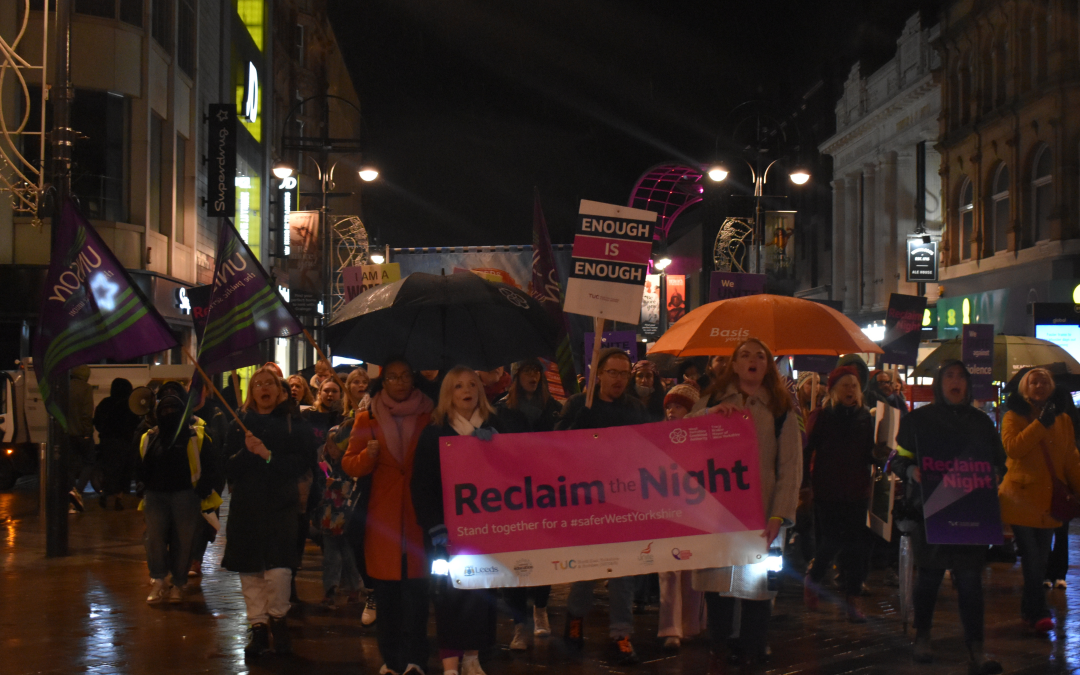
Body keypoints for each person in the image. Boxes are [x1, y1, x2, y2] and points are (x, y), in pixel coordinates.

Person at [689, 338, 801, 668]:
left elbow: (790, 468)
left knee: (758, 590)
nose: (752, 361)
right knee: (718, 586)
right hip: (718, 514)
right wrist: (708, 414)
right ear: (733, 364)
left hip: (763, 515)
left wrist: (780, 515)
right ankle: (720, 647)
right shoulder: (712, 400)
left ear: (768, 366)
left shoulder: (781, 411)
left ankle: (753, 650)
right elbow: (678, 436)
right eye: (745, 355)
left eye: (760, 356)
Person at [890, 360, 1005, 674]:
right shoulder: (918, 421)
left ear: (968, 384)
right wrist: (911, 470)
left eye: (961, 377)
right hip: (930, 514)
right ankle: (923, 637)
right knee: (928, 579)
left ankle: (977, 649)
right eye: (949, 376)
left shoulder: (981, 423)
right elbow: (897, 459)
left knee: (970, 583)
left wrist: (994, 474)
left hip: (970, 514)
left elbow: (998, 461)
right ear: (940, 383)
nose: (955, 382)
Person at [557, 347, 649, 665]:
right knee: (587, 567)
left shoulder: (636, 408)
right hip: (587, 501)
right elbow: (555, 447)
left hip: (623, 499)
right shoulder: (578, 405)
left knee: (623, 570)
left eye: (625, 374)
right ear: (599, 375)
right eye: (613, 372)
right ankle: (575, 620)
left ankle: (620, 633)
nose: (619, 380)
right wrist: (576, 424)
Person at [343, 358, 435, 675]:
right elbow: (349, 464)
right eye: (392, 376)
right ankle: (391, 660)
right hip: (381, 519)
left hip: (417, 516)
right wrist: (367, 458)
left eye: (405, 376)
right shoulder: (367, 417)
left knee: (417, 596)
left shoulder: (429, 414)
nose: (399, 382)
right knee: (388, 598)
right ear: (382, 381)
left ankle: (415, 660)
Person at [413, 367, 504, 675]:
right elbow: (422, 484)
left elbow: (511, 477)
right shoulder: (434, 432)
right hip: (445, 534)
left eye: (472, 385)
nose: (466, 391)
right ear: (447, 395)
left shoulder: (495, 428)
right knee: (448, 594)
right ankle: (450, 662)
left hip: (486, 531)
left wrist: (498, 449)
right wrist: (434, 525)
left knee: (482, 594)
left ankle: (473, 656)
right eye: (458, 387)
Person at [222, 366, 314, 658]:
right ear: (251, 392)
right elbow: (228, 468)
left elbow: (302, 463)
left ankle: (279, 620)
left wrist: (268, 456)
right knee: (250, 572)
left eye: (269, 383)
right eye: (257, 383)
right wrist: (245, 453)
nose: (263, 388)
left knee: (278, 572)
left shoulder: (294, 423)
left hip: (280, 507)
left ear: (279, 390)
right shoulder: (239, 423)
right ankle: (258, 627)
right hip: (247, 509)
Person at [999, 367, 1080, 633]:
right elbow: (1013, 448)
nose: (1040, 385)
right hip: (1020, 500)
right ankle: (1040, 612)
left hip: (1048, 503)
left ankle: (1028, 610)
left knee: (1041, 560)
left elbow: (1071, 460)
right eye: (1034, 382)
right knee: (1033, 561)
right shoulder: (1013, 416)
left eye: (1045, 381)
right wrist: (1039, 424)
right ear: (1025, 388)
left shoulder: (1064, 420)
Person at [802, 366, 880, 622]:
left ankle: (852, 598)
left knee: (856, 546)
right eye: (845, 385)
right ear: (833, 389)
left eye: (854, 386)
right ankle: (813, 579)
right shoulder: (821, 416)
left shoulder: (866, 418)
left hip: (857, 490)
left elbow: (871, 453)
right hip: (828, 489)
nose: (850, 390)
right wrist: (805, 483)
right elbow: (807, 450)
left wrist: (881, 454)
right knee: (832, 540)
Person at [495, 358, 560, 649]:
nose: (533, 377)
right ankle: (519, 623)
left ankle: (541, 609)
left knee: (544, 553)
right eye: (527, 371)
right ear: (516, 375)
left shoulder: (555, 409)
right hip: (511, 493)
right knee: (515, 558)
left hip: (546, 492)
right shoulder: (501, 410)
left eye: (537, 372)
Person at [138, 393, 217, 605]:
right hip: (155, 495)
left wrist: (204, 487)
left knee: (184, 541)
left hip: (186, 494)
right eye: (165, 411)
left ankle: (179, 582)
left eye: (174, 410)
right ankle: (160, 580)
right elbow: (142, 464)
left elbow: (211, 463)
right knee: (154, 539)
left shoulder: (196, 436)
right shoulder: (150, 437)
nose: (169, 415)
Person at [658, 383, 705, 650]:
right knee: (668, 568)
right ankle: (670, 627)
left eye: (677, 406)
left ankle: (690, 624)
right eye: (668, 406)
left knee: (692, 568)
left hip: (693, 509)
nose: (671, 411)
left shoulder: (700, 438)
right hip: (667, 508)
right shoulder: (659, 435)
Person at [93, 377, 140, 510]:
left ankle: (106, 495)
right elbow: (135, 423)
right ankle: (119, 498)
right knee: (124, 471)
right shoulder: (130, 404)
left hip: (108, 442)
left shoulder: (105, 403)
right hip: (126, 442)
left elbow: (97, 421)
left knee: (110, 470)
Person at [68, 364, 96, 511]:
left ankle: (73, 499)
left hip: (67, 434)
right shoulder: (86, 388)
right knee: (90, 462)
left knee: (71, 466)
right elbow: (87, 413)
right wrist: (87, 432)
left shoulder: (65, 387)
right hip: (81, 433)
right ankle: (77, 491)